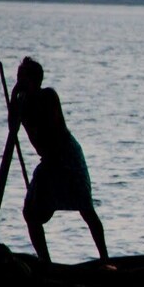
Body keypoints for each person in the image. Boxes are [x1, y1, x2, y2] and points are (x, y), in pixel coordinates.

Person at [9, 57, 108, 264]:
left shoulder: (48, 97)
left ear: (35, 80)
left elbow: (51, 129)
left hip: (67, 157)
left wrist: (27, 107)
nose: (20, 82)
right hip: (49, 162)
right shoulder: (22, 103)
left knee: (86, 209)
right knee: (31, 213)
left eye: (23, 78)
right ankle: (46, 262)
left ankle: (105, 259)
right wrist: (13, 99)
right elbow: (13, 129)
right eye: (18, 78)